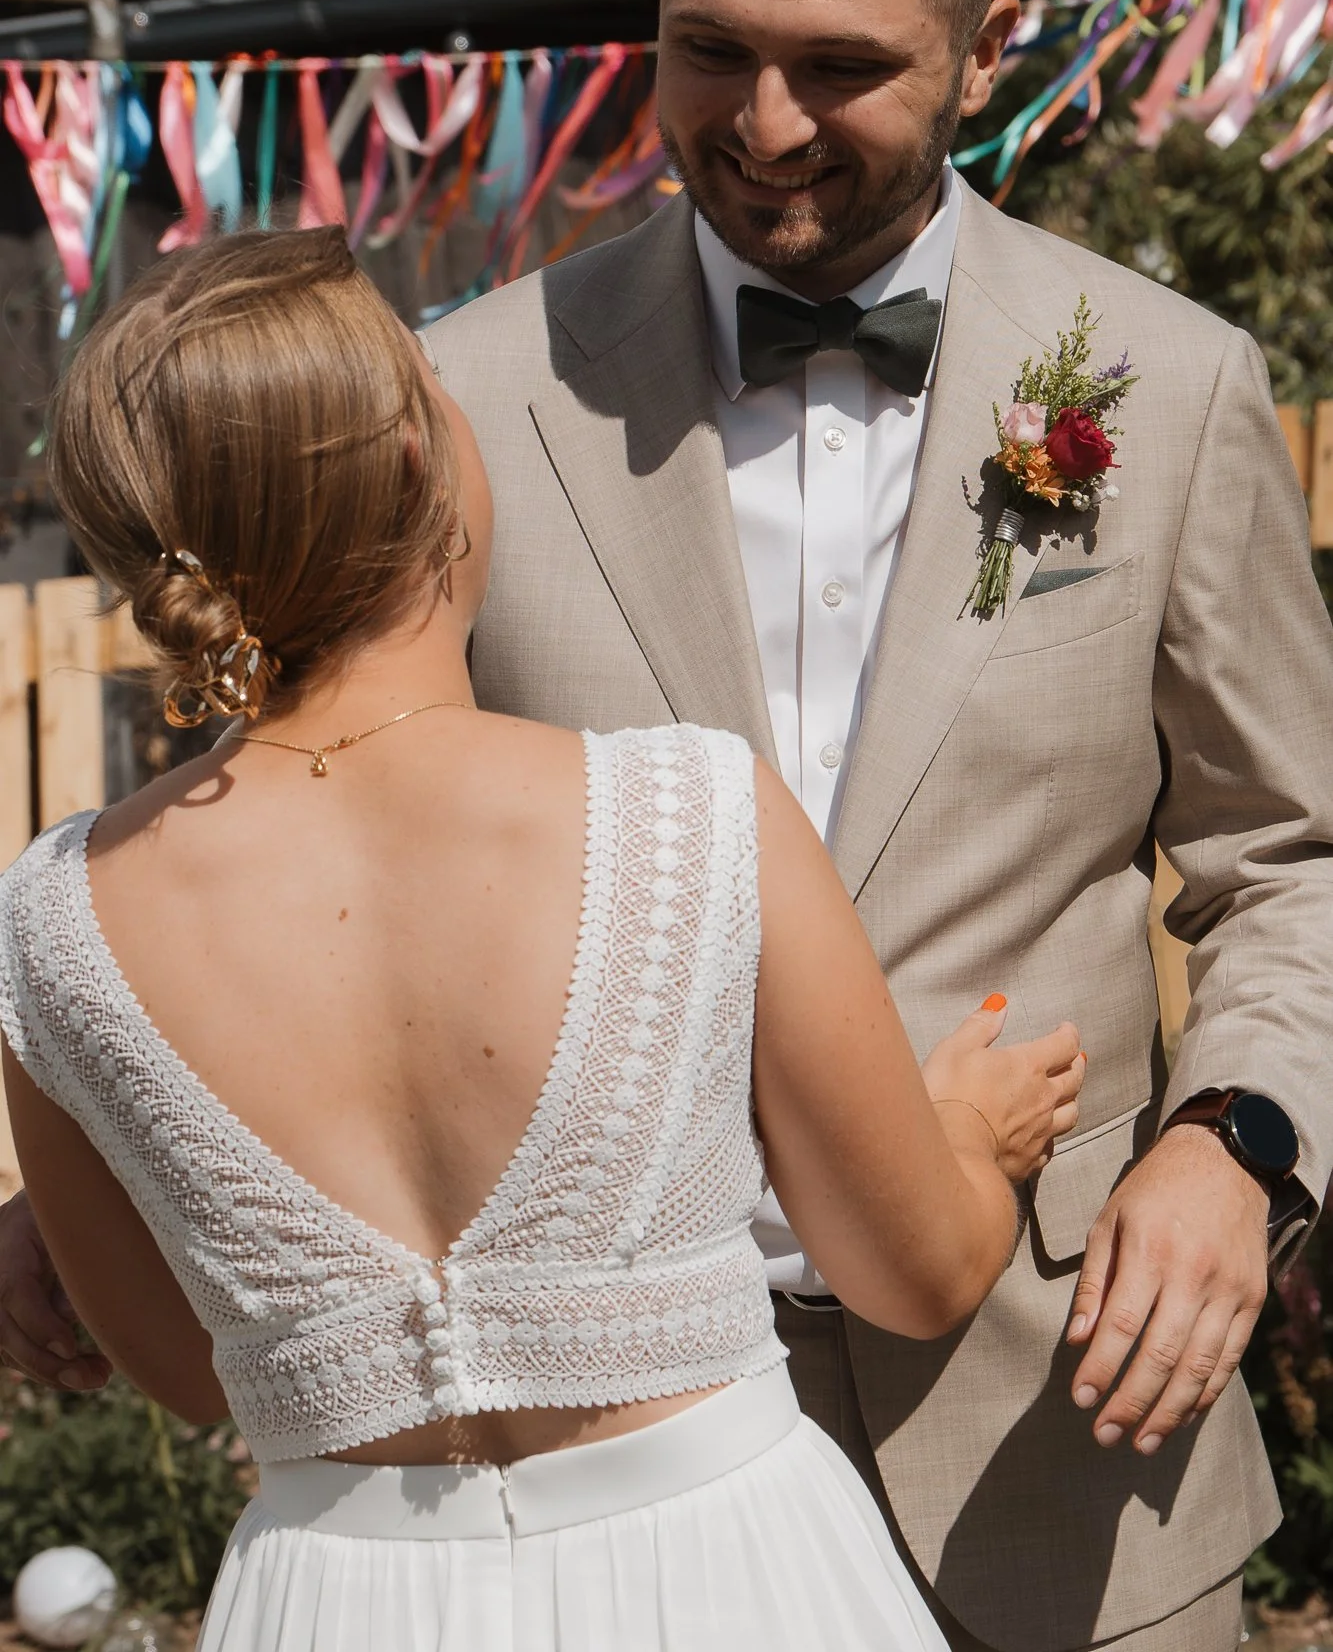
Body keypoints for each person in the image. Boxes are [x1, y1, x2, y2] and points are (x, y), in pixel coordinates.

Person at [405, 0, 1333, 1652]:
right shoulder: (464, 399)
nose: (763, 125)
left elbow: (1292, 853)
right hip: (603, 1474)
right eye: (708, 50)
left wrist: (1235, 1142)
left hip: (1066, 1455)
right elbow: (332, 848)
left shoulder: (1168, 389)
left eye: (839, 67)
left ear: (988, 50)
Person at [0, 228, 1082, 1651]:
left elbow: (191, 1373)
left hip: (337, 1599)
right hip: (727, 1579)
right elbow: (918, 1272)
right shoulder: (686, 814)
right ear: (416, 457)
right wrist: (972, 1135)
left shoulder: (57, 922)